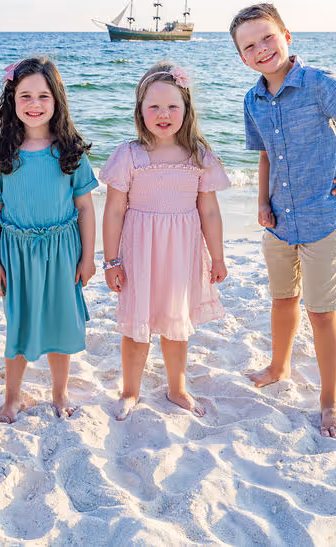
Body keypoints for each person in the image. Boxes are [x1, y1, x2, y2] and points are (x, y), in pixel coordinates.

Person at [231, 3, 336, 438]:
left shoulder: (318, 83)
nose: (261, 49)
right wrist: (262, 202)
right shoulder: (253, 99)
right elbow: (265, 152)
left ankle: (330, 399)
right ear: (242, 57)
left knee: (321, 313)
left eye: (267, 38)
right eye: (250, 46)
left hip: (326, 215)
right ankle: (278, 367)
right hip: (281, 218)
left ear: (286, 35)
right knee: (282, 299)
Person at [99, 62, 230, 421]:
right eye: (153, 107)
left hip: (182, 252)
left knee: (176, 322)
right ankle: (130, 390)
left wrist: (216, 258)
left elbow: (211, 212)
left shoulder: (198, 155)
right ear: (140, 111)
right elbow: (113, 212)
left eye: (173, 106)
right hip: (140, 251)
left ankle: (177, 388)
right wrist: (111, 261)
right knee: (136, 324)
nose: (163, 114)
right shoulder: (129, 155)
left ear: (186, 109)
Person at [0, 56, 98, 423]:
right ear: (12, 101)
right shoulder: (0, 155)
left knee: (61, 321)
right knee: (18, 323)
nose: (34, 105)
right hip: (15, 252)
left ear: (57, 100)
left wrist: (88, 257)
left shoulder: (70, 152)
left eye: (43, 96)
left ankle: (60, 394)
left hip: (63, 250)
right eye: (25, 96)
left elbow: (86, 208)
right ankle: (12, 397)